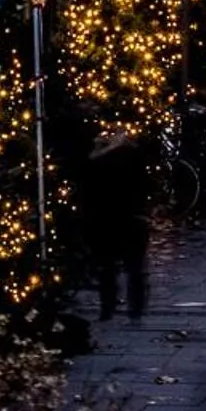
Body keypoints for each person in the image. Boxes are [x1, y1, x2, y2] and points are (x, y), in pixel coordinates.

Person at [82, 126, 154, 322]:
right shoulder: (133, 153)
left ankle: (108, 308)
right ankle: (135, 309)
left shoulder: (94, 159)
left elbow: (88, 190)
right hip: (131, 216)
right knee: (134, 268)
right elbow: (145, 185)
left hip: (105, 218)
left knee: (107, 267)